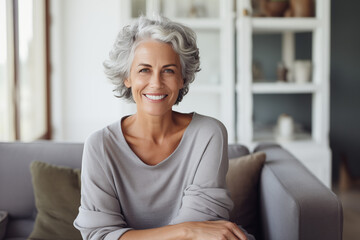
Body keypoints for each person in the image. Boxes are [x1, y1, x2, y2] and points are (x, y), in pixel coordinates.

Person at [74, 15, 253, 240]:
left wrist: (191, 231)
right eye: (144, 70)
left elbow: (203, 226)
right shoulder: (100, 145)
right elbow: (100, 236)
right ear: (127, 77)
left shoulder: (208, 133)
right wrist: (185, 231)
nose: (156, 83)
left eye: (168, 70)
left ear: (182, 79)